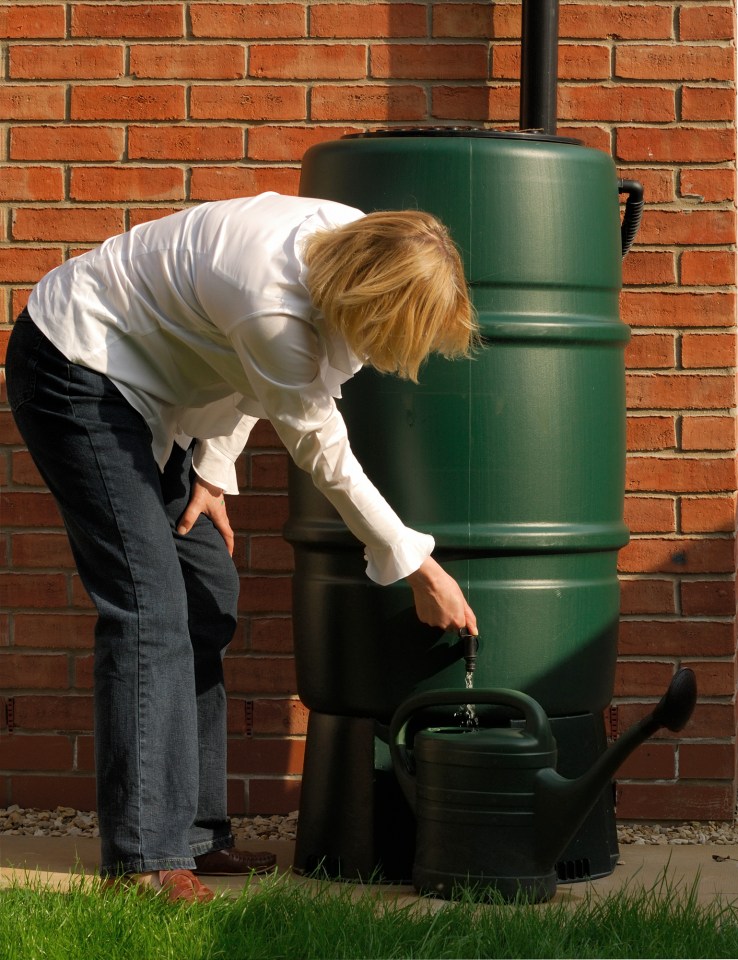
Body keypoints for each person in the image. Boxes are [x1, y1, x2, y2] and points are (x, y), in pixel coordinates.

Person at [6, 191, 479, 903]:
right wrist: (419, 566)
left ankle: (193, 837)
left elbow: (246, 374)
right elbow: (320, 445)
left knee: (204, 596)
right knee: (148, 607)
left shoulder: (345, 240)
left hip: (154, 391)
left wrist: (212, 473)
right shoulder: (272, 301)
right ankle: (144, 860)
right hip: (80, 368)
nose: (390, 355)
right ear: (372, 297)